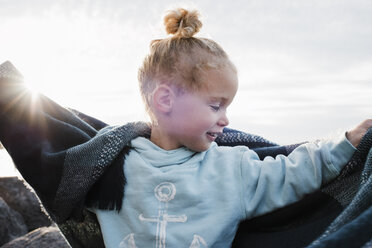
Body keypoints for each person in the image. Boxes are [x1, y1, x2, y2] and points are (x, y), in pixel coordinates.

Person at [86, 7, 372, 248]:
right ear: (165, 99)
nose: (226, 119)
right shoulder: (108, 164)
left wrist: (348, 141)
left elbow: (292, 172)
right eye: (215, 106)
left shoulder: (232, 169)